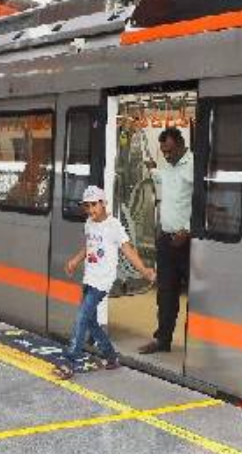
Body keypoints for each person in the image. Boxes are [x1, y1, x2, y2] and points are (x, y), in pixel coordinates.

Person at [53, 186, 155, 380]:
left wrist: (144, 271)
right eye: (87, 206)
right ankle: (111, 357)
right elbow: (89, 246)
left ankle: (69, 362)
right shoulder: (89, 223)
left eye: (94, 205)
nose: (90, 209)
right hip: (89, 278)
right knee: (91, 322)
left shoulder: (113, 226)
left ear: (103, 203)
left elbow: (128, 250)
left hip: (102, 282)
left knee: (82, 318)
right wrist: (75, 261)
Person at [139, 127, 194, 355]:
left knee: (198, 295)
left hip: (189, 242)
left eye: (170, 151)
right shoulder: (168, 167)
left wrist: (188, 230)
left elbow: (205, 200)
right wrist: (152, 168)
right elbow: (161, 176)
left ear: (181, 145)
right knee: (166, 294)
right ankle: (162, 340)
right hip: (167, 241)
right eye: (164, 152)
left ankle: (199, 347)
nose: (167, 156)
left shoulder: (194, 165)